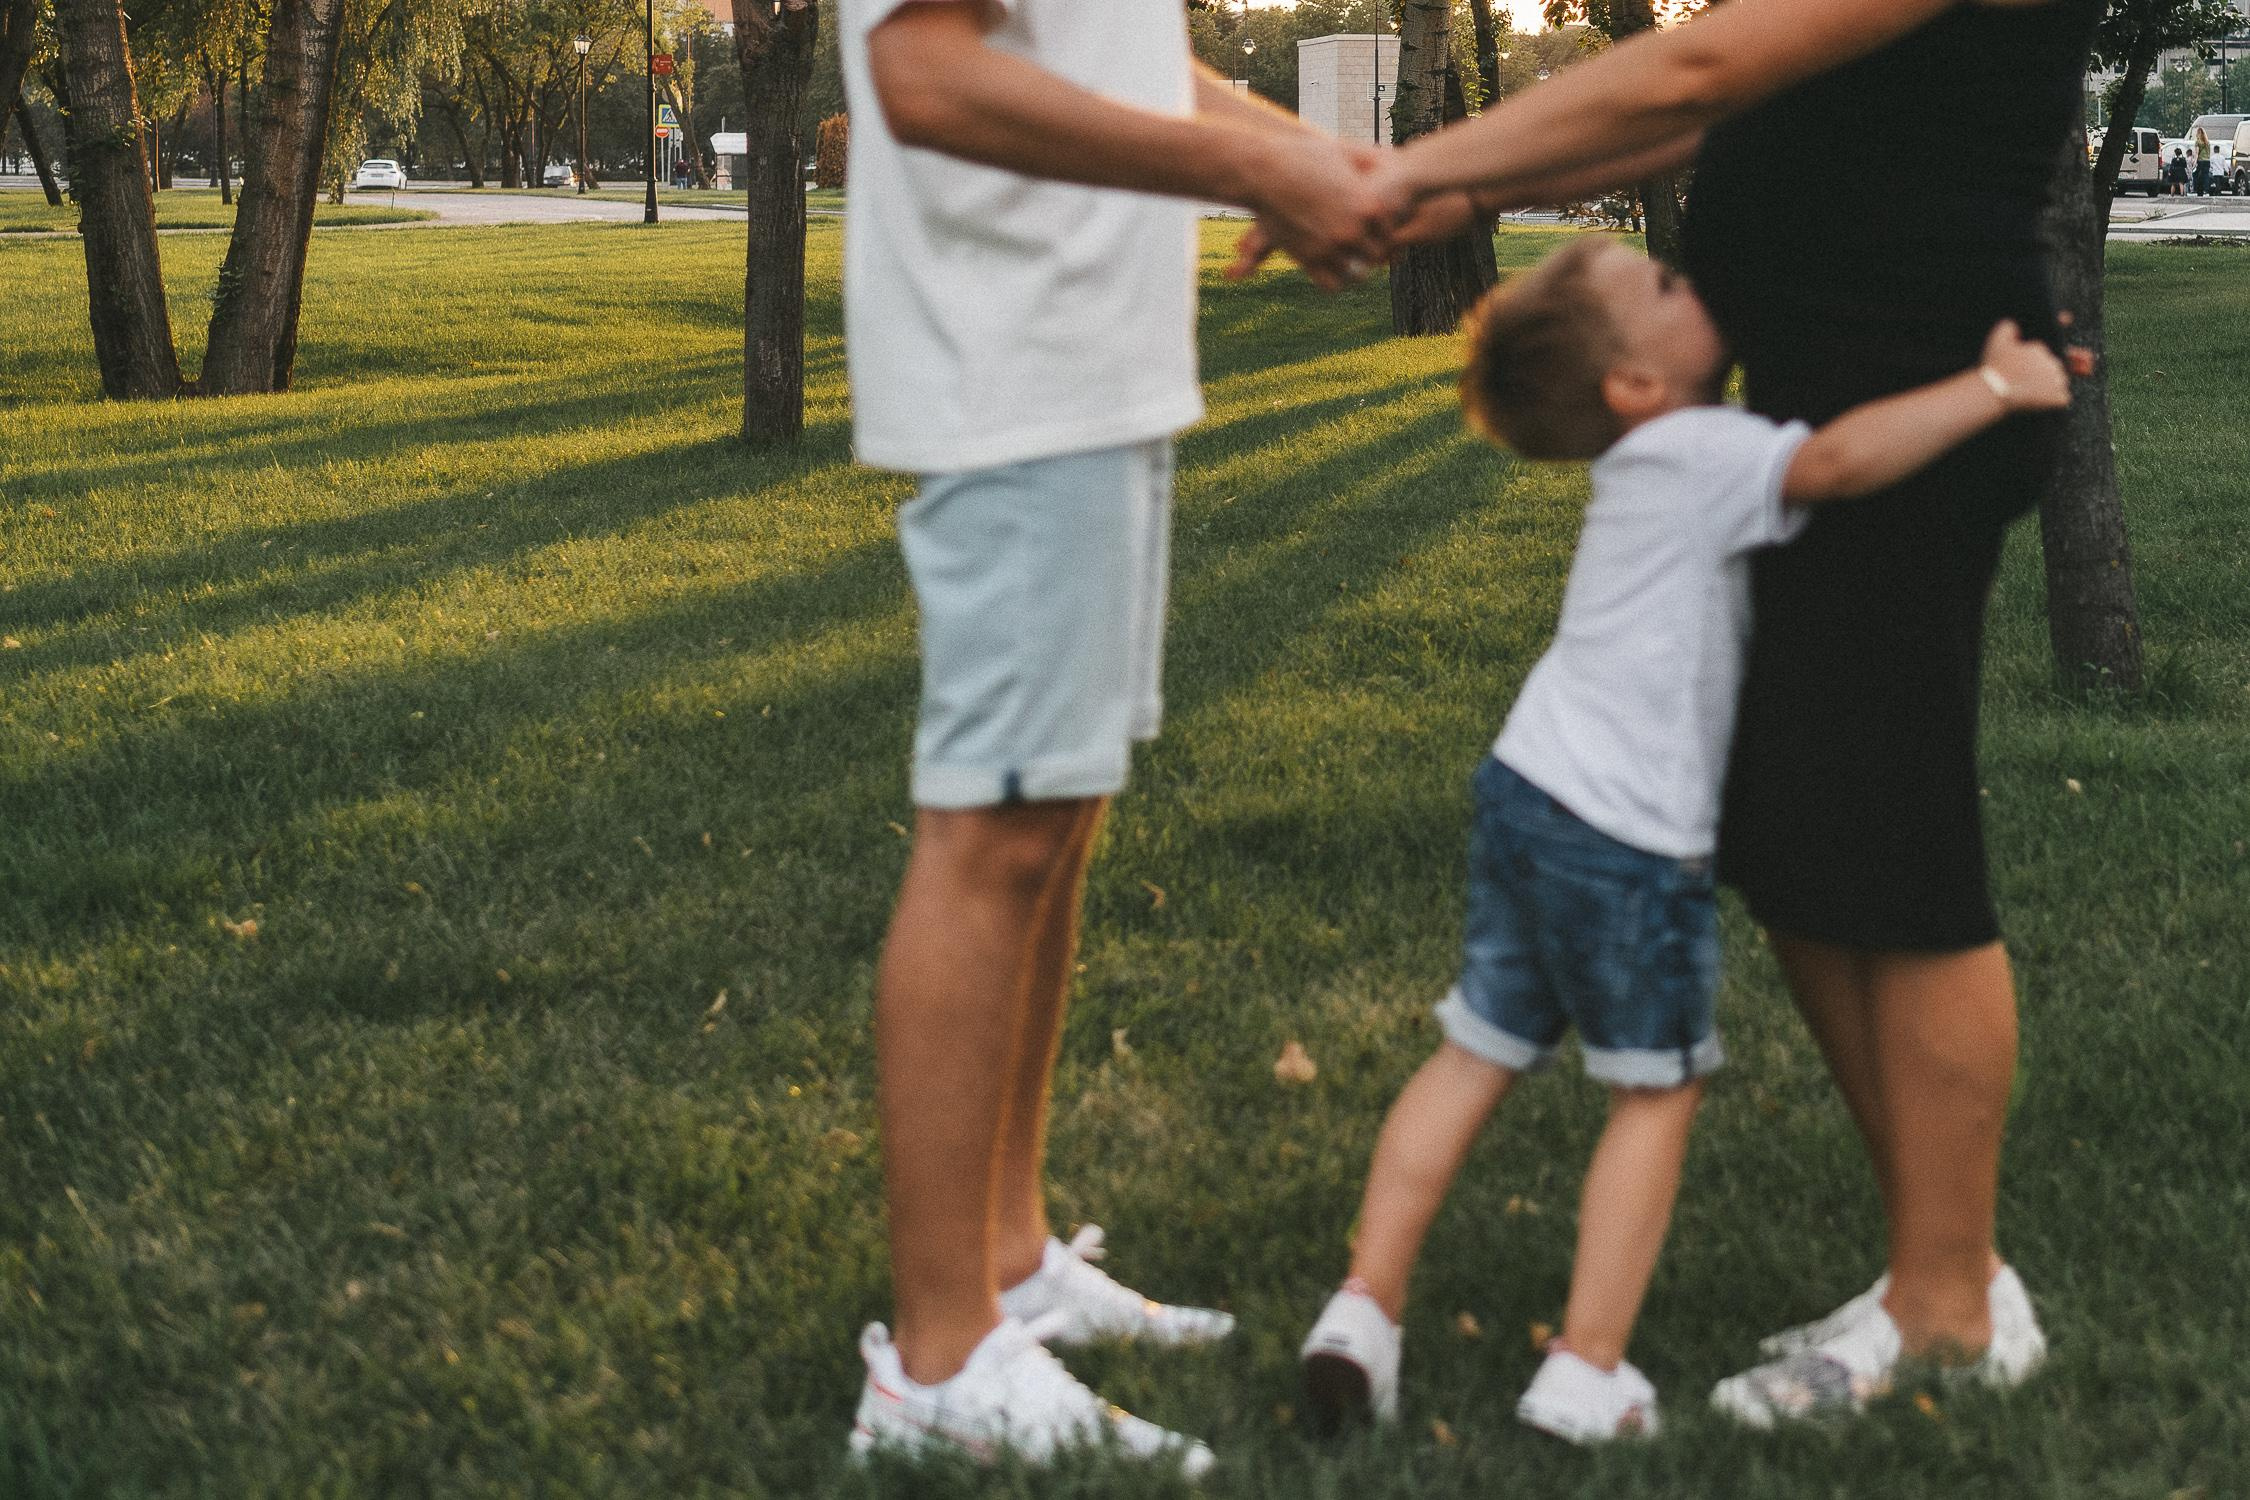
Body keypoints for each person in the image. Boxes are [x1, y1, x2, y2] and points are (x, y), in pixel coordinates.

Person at [1238, 0, 2103, 1429]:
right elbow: (1715, 107)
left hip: (1917, 404)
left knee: (1902, 848)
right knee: (1790, 828)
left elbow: (1698, 67)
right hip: (1822, 396)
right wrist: (1446, 193)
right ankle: (1927, 1265)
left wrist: (1396, 175)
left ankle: (1952, 1306)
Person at [836, 0, 1404, 1475]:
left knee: (1054, 825)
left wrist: (1319, 162)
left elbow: (1137, 73)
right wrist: (1261, 179)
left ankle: (1010, 1259)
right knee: (988, 834)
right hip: (1008, 371)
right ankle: (937, 1363)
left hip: (1091, 371)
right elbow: (922, 74)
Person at [2193, 126, 2212, 195]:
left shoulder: (2198, 142)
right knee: (2206, 176)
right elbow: (2209, 153)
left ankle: (2198, 190)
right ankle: (2206, 190)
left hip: (2201, 161)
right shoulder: (2208, 143)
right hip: (2207, 161)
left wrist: (2195, 162)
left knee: (2197, 175)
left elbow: (2197, 153)